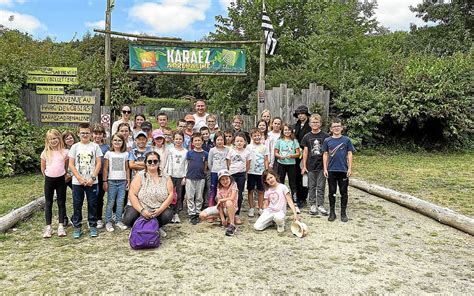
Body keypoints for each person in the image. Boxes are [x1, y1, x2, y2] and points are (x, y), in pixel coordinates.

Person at [122, 151, 174, 238]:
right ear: (145, 163)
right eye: (149, 161)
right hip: (140, 207)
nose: (152, 163)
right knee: (128, 218)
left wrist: (160, 210)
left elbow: (171, 194)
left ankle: (155, 227)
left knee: (167, 215)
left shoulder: (166, 176)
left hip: (157, 208)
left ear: (159, 162)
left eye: (155, 161)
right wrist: (142, 210)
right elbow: (132, 194)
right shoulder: (140, 175)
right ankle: (138, 227)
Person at [68, 123, 103, 239]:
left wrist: (92, 178)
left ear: (91, 134)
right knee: (77, 204)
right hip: (78, 182)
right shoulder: (75, 147)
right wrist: (79, 178)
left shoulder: (95, 147)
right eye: (82, 133)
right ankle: (77, 226)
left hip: (92, 181)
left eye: (87, 133)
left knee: (92, 204)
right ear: (78, 134)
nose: (85, 135)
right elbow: (71, 164)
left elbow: (98, 163)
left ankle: (92, 225)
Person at [322, 118, 354, 222]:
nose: (336, 128)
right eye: (334, 126)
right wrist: (325, 168)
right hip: (331, 170)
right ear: (331, 129)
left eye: (338, 126)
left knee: (343, 192)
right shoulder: (327, 141)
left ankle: (343, 213)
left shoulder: (346, 140)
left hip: (343, 170)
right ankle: (332, 212)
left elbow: (349, 154)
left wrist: (349, 168)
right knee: (332, 192)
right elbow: (325, 154)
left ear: (342, 128)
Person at [41, 129, 68, 238]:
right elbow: (43, 168)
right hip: (49, 180)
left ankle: (61, 226)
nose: (53, 141)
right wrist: (47, 176)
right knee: (48, 203)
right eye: (51, 139)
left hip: (61, 180)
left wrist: (65, 175)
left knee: (61, 202)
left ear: (59, 139)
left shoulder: (64, 152)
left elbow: (66, 166)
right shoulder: (45, 153)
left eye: (55, 138)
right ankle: (48, 227)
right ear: (47, 140)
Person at [301, 114, 330, 216]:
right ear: (309, 124)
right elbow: (305, 152)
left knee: (321, 186)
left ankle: (320, 205)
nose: (315, 124)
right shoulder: (307, 137)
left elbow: (327, 152)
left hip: (322, 166)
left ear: (320, 124)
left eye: (317, 122)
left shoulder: (326, 136)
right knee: (311, 186)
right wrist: (304, 166)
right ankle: (312, 204)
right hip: (310, 165)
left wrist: (326, 166)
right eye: (313, 122)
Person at [103, 133, 130, 232]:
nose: (117, 142)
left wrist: (128, 180)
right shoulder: (109, 153)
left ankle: (118, 220)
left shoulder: (126, 154)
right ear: (112, 141)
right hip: (111, 181)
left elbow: (127, 169)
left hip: (122, 181)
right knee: (111, 202)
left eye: (119, 140)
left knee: (120, 202)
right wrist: (105, 181)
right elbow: (105, 168)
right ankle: (108, 221)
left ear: (123, 142)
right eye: (115, 140)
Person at [199, 169, 238, 236]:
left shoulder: (233, 184)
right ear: (219, 181)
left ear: (230, 178)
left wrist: (221, 200)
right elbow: (219, 205)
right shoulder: (219, 188)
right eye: (222, 179)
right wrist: (222, 218)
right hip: (221, 208)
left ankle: (232, 224)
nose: (225, 181)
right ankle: (222, 218)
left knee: (228, 202)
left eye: (226, 178)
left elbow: (232, 198)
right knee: (202, 215)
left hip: (230, 207)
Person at [274, 123, 301, 214]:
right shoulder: (279, 141)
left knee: (292, 183)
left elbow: (298, 153)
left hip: (291, 164)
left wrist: (292, 155)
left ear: (291, 131)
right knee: (280, 182)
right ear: (282, 131)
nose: (287, 131)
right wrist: (279, 156)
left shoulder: (294, 141)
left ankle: (295, 203)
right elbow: (276, 152)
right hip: (281, 164)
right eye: (285, 130)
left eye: (289, 130)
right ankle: (281, 202)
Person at [226, 132, 251, 225]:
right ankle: (229, 213)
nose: (239, 143)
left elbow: (248, 164)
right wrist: (230, 172)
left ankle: (237, 214)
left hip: (241, 175)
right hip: (232, 175)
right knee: (230, 193)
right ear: (234, 142)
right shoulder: (231, 151)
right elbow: (228, 163)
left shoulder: (247, 152)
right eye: (237, 141)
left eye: (241, 141)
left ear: (245, 142)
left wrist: (244, 173)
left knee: (239, 194)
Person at [185, 133, 208, 225]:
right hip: (190, 177)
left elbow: (205, 166)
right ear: (192, 142)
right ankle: (191, 213)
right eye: (195, 140)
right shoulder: (189, 153)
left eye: (199, 140)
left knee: (199, 196)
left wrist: (203, 173)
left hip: (201, 177)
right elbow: (187, 165)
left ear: (202, 141)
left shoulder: (205, 154)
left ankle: (198, 212)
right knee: (190, 196)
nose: (197, 142)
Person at [165, 131, 188, 223]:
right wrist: (169, 175)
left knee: (178, 195)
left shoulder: (186, 151)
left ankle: (176, 213)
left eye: (180, 139)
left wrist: (185, 176)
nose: (178, 141)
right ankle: (170, 213)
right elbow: (169, 163)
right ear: (173, 140)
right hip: (171, 176)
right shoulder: (171, 150)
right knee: (170, 195)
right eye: (176, 139)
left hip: (180, 176)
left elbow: (186, 164)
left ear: (183, 140)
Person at [247, 128, 269, 217]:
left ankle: (260, 208)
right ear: (251, 136)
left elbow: (266, 160)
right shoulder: (248, 147)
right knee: (250, 190)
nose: (257, 137)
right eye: (255, 135)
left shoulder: (264, 147)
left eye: (259, 135)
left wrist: (266, 171)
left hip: (261, 172)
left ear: (262, 136)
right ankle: (251, 208)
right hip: (251, 172)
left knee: (261, 190)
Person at [293, 105, 312, 209]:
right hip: (296, 154)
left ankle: (304, 198)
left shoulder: (310, 126)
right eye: (299, 114)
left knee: (304, 176)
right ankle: (297, 197)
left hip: (306, 153)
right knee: (296, 176)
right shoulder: (296, 125)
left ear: (306, 115)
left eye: (302, 113)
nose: (300, 116)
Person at [92, 124, 109, 229]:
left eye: (100, 134)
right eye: (95, 134)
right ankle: (92, 217)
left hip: (102, 175)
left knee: (100, 197)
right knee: (92, 197)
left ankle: (98, 218)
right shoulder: (89, 145)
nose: (97, 136)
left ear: (103, 135)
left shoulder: (106, 147)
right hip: (91, 175)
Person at [207, 131, 229, 210]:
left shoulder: (227, 150)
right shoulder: (212, 150)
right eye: (218, 140)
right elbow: (209, 162)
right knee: (213, 189)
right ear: (215, 141)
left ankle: (223, 208)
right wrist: (213, 169)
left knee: (223, 189)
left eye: (222, 140)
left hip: (224, 173)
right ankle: (211, 208)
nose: (220, 141)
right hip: (214, 172)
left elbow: (228, 161)